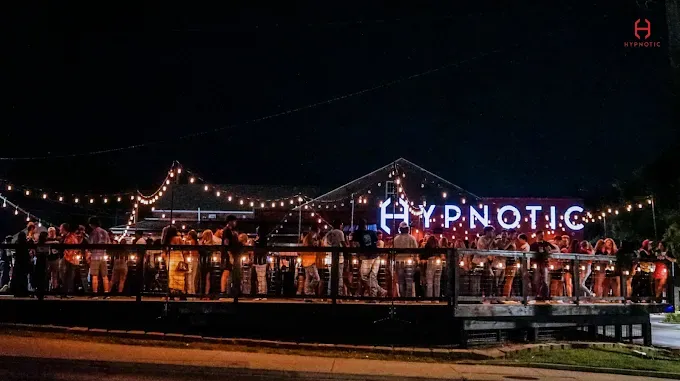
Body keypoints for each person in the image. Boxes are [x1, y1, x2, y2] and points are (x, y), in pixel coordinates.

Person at [352, 219, 385, 298]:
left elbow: (355, 245)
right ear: (365, 225)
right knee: (372, 277)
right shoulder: (372, 232)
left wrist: (357, 254)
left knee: (364, 277)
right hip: (376, 256)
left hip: (366, 257)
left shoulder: (357, 233)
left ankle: (380, 291)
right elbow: (377, 243)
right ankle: (374, 296)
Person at [393, 221, 418, 298]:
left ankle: (402, 298)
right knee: (409, 281)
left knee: (400, 281)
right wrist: (416, 260)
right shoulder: (412, 238)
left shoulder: (396, 239)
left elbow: (394, 251)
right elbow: (416, 250)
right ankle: (408, 299)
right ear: (407, 229)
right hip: (409, 261)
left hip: (398, 261)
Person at [87, 217, 110, 296]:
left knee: (94, 276)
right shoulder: (105, 232)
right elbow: (108, 243)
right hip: (103, 256)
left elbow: (90, 245)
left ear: (91, 224)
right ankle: (106, 293)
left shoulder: (93, 233)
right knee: (105, 276)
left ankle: (95, 294)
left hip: (95, 256)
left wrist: (88, 255)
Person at [529, 230, 555, 300]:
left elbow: (555, 250)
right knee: (536, 279)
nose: (542, 236)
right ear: (537, 235)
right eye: (541, 235)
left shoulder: (546, 244)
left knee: (545, 279)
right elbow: (530, 255)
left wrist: (549, 251)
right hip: (537, 263)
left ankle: (545, 295)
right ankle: (537, 294)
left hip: (545, 263)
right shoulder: (533, 245)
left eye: (543, 235)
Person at [324, 220, 346, 296]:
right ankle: (339, 294)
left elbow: (325, 244)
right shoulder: (340, 232)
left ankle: (330, 293)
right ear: (339, 225)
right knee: (339, 276)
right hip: (339, 257)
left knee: (331, 276)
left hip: (329, 257)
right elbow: (343, 244)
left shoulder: (328, 233)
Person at [299, 224, 321, 298]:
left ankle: (307, 295)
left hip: (306, 260)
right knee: (317, 278)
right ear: (316, 231)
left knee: (308, 278)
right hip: (310, 261)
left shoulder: (307, 236)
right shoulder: (311, 237)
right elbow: (313, 246)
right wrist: (317, 242)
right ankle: (309, 291)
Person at [164, 225, 186, 297]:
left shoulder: (167, 240)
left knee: (171, 276)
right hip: (179, 256)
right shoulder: (179, 238)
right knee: (180, 275)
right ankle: (181, 292)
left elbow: (165, 251)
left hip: (170, 257)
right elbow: (184, 249)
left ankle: (172, 293)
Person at [221, 215, 240, 296]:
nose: (235, 223)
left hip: (230, 254)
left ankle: (227, 291)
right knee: (226, 272)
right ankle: (223, 292)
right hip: (228, 254)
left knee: (229, 273)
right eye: (234, 221)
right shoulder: (227, 231)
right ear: (230, 221)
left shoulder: (230, 231)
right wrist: (230, 255)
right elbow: (226, 243)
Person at [423, 235, 442, 299]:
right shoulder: (437, 246)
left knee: (429, 282)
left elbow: (424, 255)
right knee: (437, 282)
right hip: (438, 262)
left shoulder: (427, 245)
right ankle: (437, 298)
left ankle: (429, 298)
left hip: (430, 261)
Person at [11, 232, 30, 297]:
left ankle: (17, 292)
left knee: (17, 277)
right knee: (24, 277)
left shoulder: (17, 242)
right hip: (24, 262)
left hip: (18, 263)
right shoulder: (26, 243)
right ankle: (24, 292)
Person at [184, 230, 200, 295]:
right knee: (193, 278)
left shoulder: (188, 242)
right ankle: (193, 293)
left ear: (190, 235)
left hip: (189, 260)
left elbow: (186, 251)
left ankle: (189, 293)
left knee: (189, 277)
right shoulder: (197, 243)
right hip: (195, 260)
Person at [46, 227, 61, 292]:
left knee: (54, 274)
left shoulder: (58, 239)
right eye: (50, 232)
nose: (52, 233)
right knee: (47, 274)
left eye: (53, 232)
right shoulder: (46, 239)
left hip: (55, 259)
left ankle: (54, 288)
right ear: (48, 233)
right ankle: (47, 288)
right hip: (48, 259)